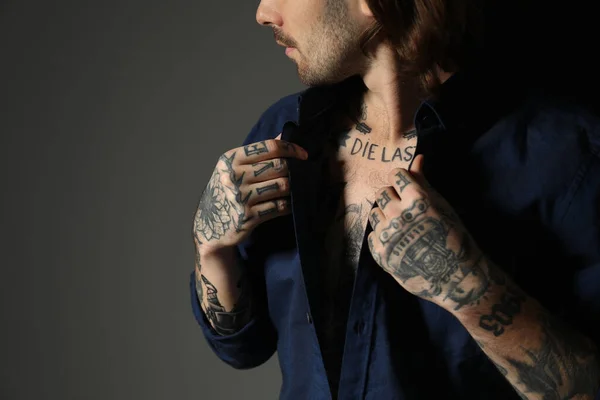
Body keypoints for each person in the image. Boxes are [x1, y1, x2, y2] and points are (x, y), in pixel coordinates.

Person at [189, 0, 600, 398]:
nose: (263, 13)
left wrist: (472, 289)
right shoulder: (284, 130)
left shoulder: (565, 155)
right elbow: (241, 347)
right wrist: (212, 249)